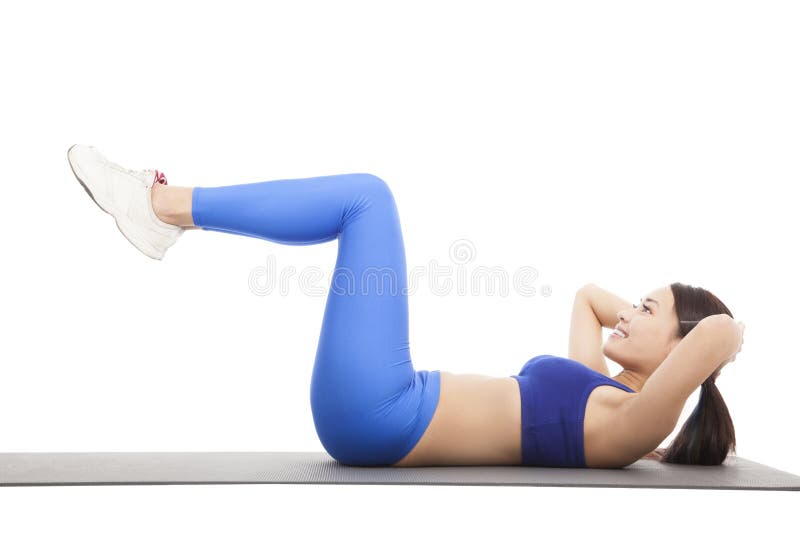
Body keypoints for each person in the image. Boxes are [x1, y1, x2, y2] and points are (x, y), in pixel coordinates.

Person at [66, 144, 744, 468]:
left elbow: (715, 334)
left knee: (367, 198)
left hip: (385, 415)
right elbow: (589, 298)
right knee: (367, 198)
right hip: (393, 402)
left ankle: (162, 208)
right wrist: (643, 328)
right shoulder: (604, 392)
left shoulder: (628, 429)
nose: (628, 313)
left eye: (648, 313)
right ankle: (166, 213)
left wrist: (721, 337)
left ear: (679, 351)